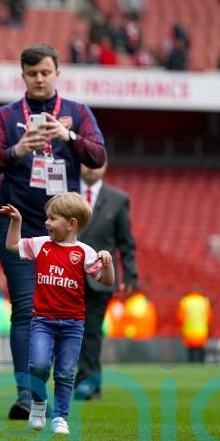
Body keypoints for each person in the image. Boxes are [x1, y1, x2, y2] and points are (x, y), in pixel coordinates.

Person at [0, 43, 106, 419]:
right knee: (25, 308)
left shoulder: (77, 113)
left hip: (64, 232)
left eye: (45, 72)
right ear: (23, 75)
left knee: (63, 308)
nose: (38, 79)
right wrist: (17, 150)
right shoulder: (5, 116)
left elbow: (98, 155)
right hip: (20, 224)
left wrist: (67, 138)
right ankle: (26, 394)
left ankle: (59, 385)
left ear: (57, 73)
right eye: (31, 73)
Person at [0, 193, 114, 435]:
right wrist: (16, 222)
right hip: (42, 321)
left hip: (73, 324)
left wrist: (108, 263)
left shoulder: (85, 252)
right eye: (47, 218)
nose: (47, 223)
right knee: (39, 365)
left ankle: (61, 417)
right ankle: (39, 405)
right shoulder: (41, 245)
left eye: (53, 218)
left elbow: (106, 281)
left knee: (64, 372)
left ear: (71, 223)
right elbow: (11, 246)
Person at [73, 162, 138, 401]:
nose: (91, 168)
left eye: (96, 163)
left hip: (101, 277)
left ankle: (88, 383)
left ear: (106, 165)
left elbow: (126, 241)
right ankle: (84, 381)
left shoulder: (118, 199)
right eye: (86, 163)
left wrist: (131, 274)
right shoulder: (66, 192)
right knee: (71, 330)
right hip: (67, 275)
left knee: (91, 330)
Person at [177, 290, 211, 363]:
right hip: (201, 330)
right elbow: (208, 316)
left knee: (190, 350)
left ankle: (191, 365)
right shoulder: (204, 301)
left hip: (188, 329)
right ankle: (201, 364)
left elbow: (180, 317)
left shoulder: (185, 301)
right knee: (200, 350)